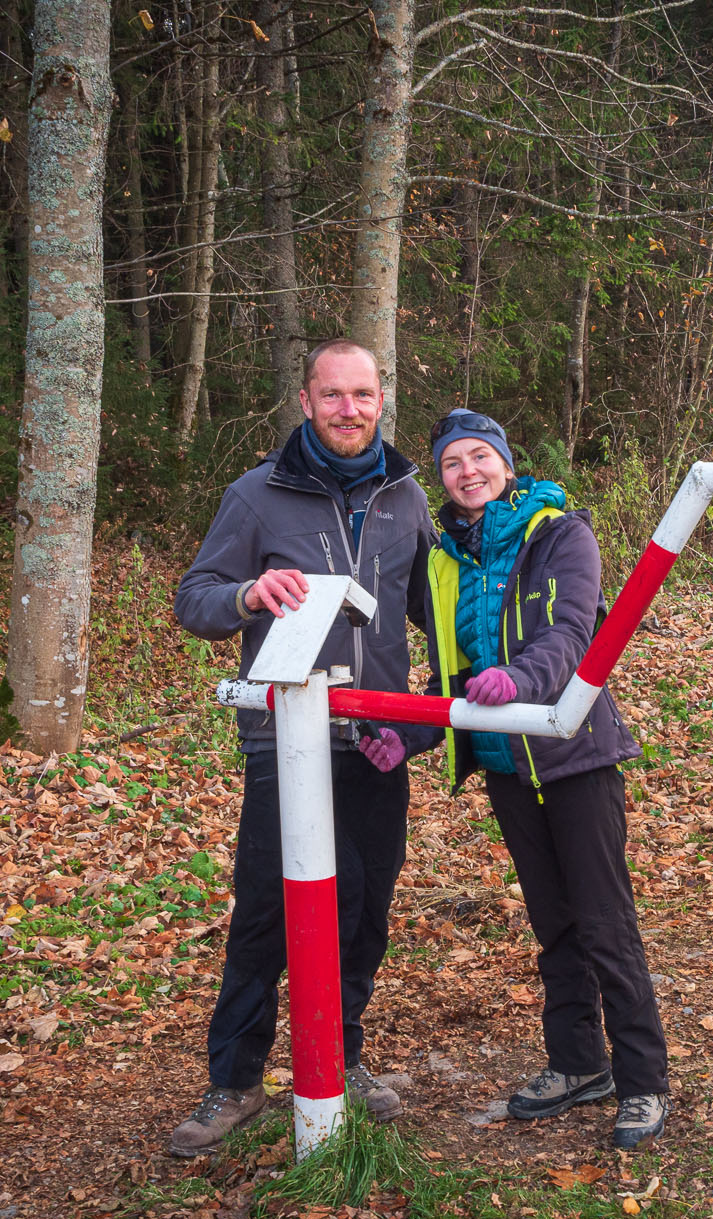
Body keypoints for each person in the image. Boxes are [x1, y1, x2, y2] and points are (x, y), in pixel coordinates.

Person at [168, 339, 435, 1157]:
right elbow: (195, 599)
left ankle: (340, 1059)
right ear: (306, 400)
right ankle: (235, 1082)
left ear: (381, 399)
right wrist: (249, 593)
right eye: (333, 395)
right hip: (284, 740)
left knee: (364, 911)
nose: (348, 409)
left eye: (362, 394)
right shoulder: (257, 496)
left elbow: (440, 613)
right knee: (265, 916)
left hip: (375, 744)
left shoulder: (408, 500)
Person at [417, 408, 670, 1149]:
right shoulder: (446, 560)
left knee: (603, 923)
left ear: (505, 461)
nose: (468, 472)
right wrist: (403, 738)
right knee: (553, 924)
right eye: (452, 464)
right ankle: (577, 1064)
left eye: (478, 457)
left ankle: (644, 1079)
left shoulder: (560, 532)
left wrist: (517, 679)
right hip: (504, 763)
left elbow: (571, 633)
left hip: (573, 755)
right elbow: (449, 677)